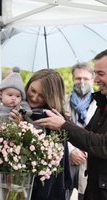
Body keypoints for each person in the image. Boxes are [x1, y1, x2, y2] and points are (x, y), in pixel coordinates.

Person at [37, 49, 107, 200]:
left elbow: (102, 144)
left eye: (101, 74)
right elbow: (87, 132)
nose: (95, 81)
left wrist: (63, 125)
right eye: (96, 74)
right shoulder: (103, 103)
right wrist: (59, 120)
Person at [10, 69, 72, 200]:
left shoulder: (54, 120)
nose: (34, 97)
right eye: (32, 90)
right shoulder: (15, 103)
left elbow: (45, 161)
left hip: (43, 190)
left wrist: (22, 127)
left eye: (42, 95)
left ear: (51, 98)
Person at [65, 63, 97, 200]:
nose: (82, 82)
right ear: (73, 79)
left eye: (86, 78)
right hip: (67, 159)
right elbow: (57, 130)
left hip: (89, 160)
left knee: (85, 195)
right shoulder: (62, 101)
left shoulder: (99, 103)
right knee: (63, 194)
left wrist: (85, 149)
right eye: (78, 78)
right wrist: (71, 150)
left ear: (92, 79)